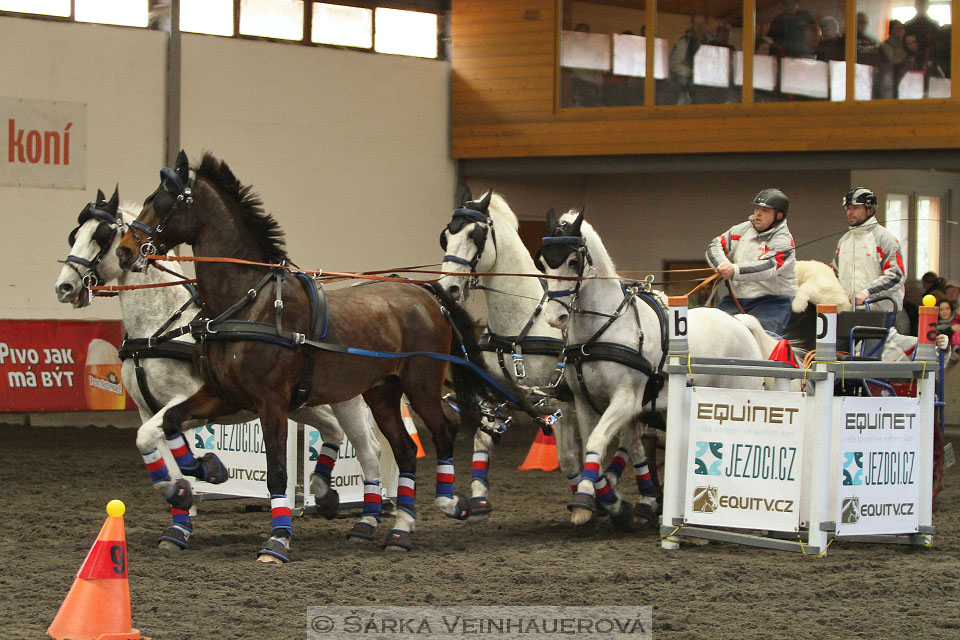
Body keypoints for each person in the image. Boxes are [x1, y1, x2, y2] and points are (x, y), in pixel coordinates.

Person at [706, 189, 798, 334]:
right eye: (756, 208)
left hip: (772, 302)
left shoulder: (784, 240)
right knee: (712, 331)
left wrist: (733, 270)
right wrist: (722, 264)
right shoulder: (742, 230)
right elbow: (715, 245)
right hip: (736, 299)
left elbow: (768, 267)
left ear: (779, 215)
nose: (758, 214)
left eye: (765, 210)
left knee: (763, 338)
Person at [831, 187, 905, 313]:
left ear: (869, 210)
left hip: (881, 313)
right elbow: (834, 275)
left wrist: (867, 293)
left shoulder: (884, 238)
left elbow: (896, 275)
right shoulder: (844, 241)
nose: (850, 212)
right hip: (849, 312)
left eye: (856, 208)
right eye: (849, 208)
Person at [669, 12, 715, 104]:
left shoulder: (713, 43)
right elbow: (674, 63)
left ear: (707, 25)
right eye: (696, 23)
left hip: (710, 90)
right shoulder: (685, 41)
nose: (699, 26)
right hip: (688, 90)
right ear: (692, 24)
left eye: (702, 24)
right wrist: (691, 72)